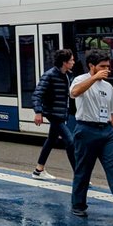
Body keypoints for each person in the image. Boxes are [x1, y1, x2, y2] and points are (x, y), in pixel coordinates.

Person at [68, 48, 113, 221]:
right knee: (83, 170)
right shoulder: (80, 79)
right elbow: (74, 93)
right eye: (102, 66)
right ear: (91, 66)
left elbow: (112, 112)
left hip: (107, 131)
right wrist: (94, 78)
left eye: (108, 67)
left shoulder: (108, 86)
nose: (106, 70)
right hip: (86, 129)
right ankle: (78, 205)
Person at [31, 49, 76, 180]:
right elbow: (37, 94)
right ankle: (79, 175)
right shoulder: (49, 75)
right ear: (64, 62)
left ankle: (39, 170)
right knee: (70, 142)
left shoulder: (68, 75)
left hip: (61, 112)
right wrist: (38, 112)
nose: (73, 62)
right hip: (53, 113)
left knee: (51, 140)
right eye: (71, 60)